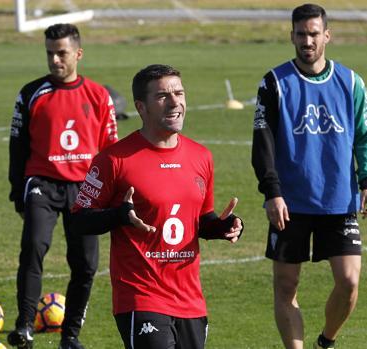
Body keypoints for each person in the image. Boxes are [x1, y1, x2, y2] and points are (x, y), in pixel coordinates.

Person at [69, 64, 244, 349]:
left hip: (190, 299)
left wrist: (223, 227)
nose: (175, 102)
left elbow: (200, 220)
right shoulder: (114, 160)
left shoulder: (201, 157)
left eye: (179, 93)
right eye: (163, 96)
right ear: (141, 107)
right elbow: (79, 221)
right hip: (141, 295)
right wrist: (119, 216)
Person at [251, 4, 367, 349]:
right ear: (292, 36)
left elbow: (366, 134)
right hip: (290, 203)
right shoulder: (275, 83)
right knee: (286, 286)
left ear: (327, 35)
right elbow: (262, 143)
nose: (307, 41)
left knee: (349, 282)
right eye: (300, 34)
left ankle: (326, 340)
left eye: (313, 33)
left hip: (339, 199)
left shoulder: (351, 82)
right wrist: (272, 192)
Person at [7, 23, 118, 349]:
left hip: (85, 189)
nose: (55, 60)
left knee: (85, 265)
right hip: (41, 183)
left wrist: (108, 194)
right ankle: (25, 327)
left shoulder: (99, 96)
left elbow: (111, 149)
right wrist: (18, 188)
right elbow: (17, 145)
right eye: (50, 53)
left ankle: (70, 336)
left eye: (62, 53)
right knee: (34, 248)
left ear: (78, 54)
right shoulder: (31, 93)